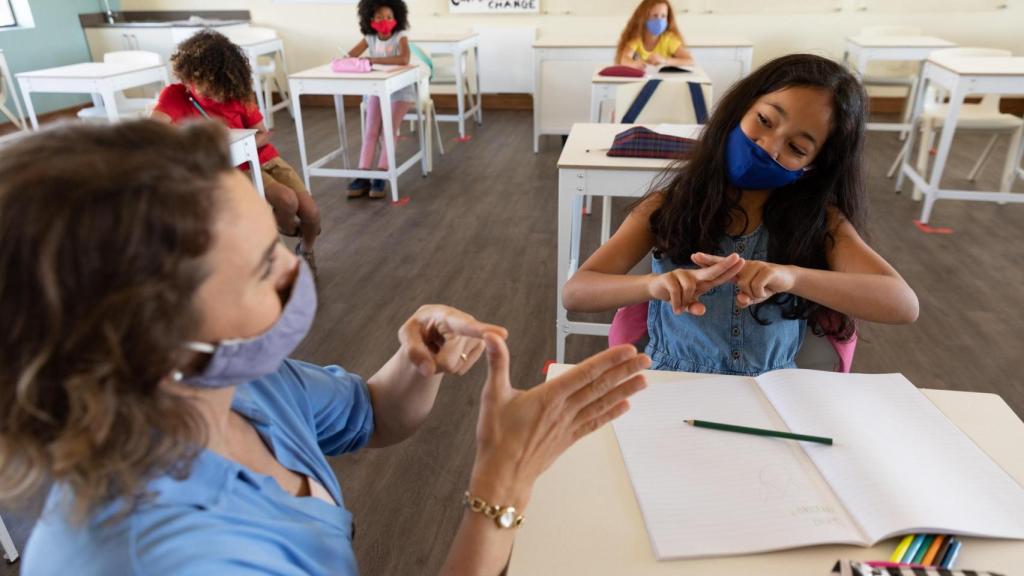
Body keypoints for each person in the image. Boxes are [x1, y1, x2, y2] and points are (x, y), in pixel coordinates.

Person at [0, 120, 650, 575]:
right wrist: (499, 489)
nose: (296, 270)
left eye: (281, 244)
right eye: (265, 268)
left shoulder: (238, 382)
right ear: (147, 337)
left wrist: (417, 361)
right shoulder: (156, 554)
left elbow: (370, 413)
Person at [563, 54, 920, 376]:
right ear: (740, 109)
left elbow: (902, 304)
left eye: (797, 148)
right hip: (672, 385)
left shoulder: (820, 223)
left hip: (773, 393)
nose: (768, 146)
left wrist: (791, 277)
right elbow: (577, 292)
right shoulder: (666, 206)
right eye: (764, 120)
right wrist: (652, 286)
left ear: (814, 166)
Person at [150, 30, 322, 276]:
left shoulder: (239, 94)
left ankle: (304, 248)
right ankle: (275, 235)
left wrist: (242, 142)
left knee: (312, 214)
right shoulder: (177, 95)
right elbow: (151, 130)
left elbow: (263, 134)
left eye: (213, 86)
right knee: (286, 200)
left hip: (263, 156)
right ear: (188, 74)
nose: (205, 90)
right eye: (197, 83)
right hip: (234, 166)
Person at [344, 0, 415, 199]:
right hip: (376, 90)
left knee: (388, 131)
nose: (385, 21)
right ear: (370, 19)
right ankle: (364, 173)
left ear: (396, 18)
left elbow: (403, 59)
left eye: (389, 17)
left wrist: (371, 60)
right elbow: (350, 56)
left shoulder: (400, 37)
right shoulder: (369, 38)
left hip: (400, 92)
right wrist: (345, 59)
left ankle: (382, 173)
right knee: (371, 131)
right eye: (379, 17)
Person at [615, 0, 694, 71]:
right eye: (655, 16)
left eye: (663, 16)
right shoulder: (637, 39)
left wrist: (664, 60)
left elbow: (689, 60)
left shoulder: (669, 40)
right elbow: (624, 59)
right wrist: (634, 64)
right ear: (643, 18)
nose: (659, 21)